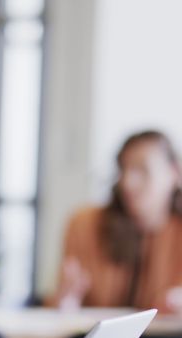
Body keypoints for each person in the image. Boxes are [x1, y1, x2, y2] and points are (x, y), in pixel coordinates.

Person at [48, 130, 182, 314]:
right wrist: (65, 302)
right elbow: (63, 304)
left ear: (174, 173)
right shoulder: (85, 224)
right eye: (123, 169)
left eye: (142, 169)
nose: (127, 182)